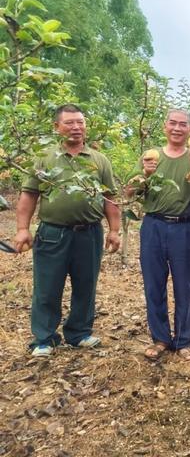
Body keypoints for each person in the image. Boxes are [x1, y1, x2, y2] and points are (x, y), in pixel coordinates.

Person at [13, 104, 121, 357]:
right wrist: (22, 229)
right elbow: (29, 195)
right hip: (53, 233)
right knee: (47, 286)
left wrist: (114, 230)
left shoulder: (98, 160)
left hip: (89, 233)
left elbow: (110, 199)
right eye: (70, 123)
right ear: (57, 127)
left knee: (86, 284)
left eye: (80, 122)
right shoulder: (45, 158)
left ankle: (79, 333)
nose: (76, 128)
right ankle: (44, 338)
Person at [135, 109, 190, 361]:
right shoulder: (150, 157)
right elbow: (131, 190)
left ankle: (184, 341)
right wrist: (145, 175)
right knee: (154, 284)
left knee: (184, 286)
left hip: (184, 228)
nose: (177, 128)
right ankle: (161, 338)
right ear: (165, 127)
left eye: (182, 124)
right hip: (153, 225)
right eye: (173, 123)